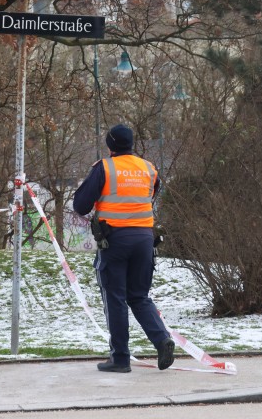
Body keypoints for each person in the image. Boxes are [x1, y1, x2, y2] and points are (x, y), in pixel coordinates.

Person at [73, 123, 175, 373]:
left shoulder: (104, 168)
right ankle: (162, 340)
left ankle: (120, 358)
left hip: (115, 240)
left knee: (115, 298)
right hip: (144, 239)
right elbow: (151, 194)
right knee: (139, 296)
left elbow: (81, 205)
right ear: (130, 144)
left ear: (110, 145)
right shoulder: (148, 168)